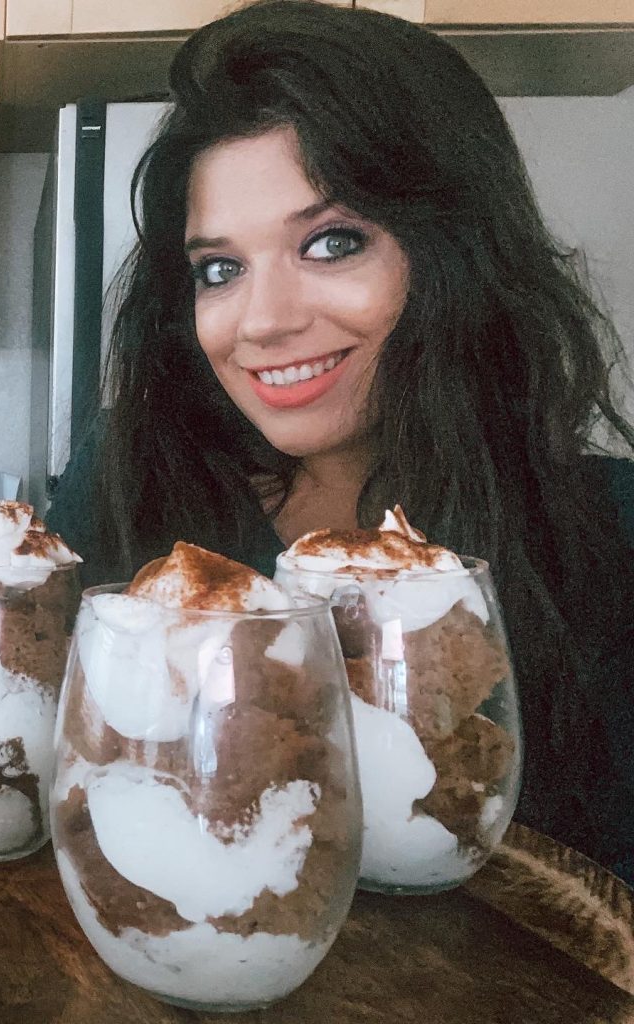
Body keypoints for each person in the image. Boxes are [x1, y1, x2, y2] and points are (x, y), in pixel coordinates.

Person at [45, 0, 634, 881]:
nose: (265, 321)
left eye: (331, 243)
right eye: (220, 268)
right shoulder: (135, 482)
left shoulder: (609, 534)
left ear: (453, 255)